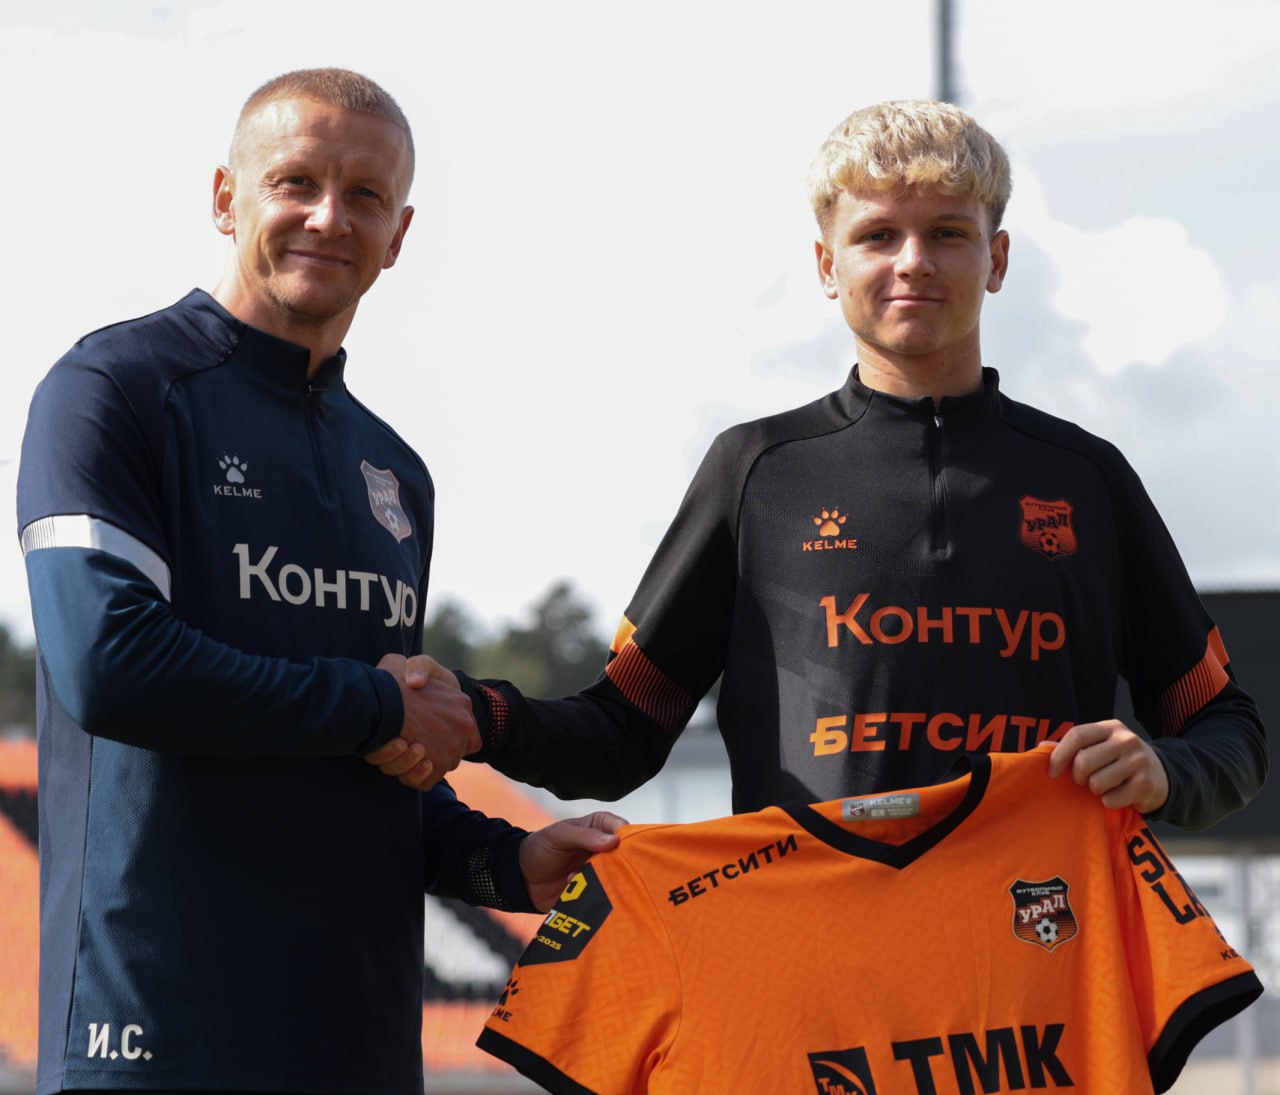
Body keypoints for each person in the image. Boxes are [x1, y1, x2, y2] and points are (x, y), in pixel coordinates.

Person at [17, 68, 621, 1095]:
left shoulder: (393, 470)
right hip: (157, 1045)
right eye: (295, 182)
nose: (328, 217)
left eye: (364, 195)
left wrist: (507, 861)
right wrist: (376, 704)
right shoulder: (114, 388)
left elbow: (375, 759)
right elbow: (110, 665)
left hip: (358, 1062)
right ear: (225, 196)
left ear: (399, 235)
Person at [370, 99, 1266, 830]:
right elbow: (623, 729)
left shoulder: (1087, 478)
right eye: (878, 236)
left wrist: (1166, 771)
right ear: (827, 264)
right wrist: (484, 715)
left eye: (947, 233)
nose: (913, 262)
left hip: (1042, 945)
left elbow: (1230, 730)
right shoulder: (757, 470)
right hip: (819, 951)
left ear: (996, 259)